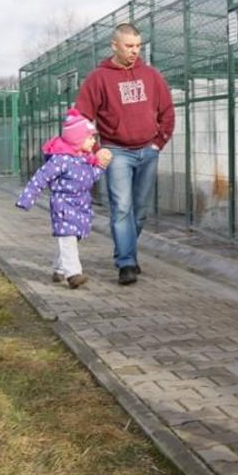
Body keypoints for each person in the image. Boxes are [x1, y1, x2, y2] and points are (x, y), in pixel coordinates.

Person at [75, 23, 175, 285]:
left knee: (139, 211)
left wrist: (158, 143)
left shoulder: (151, 75)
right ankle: (126, 263)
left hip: (148, 150)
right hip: (116, 152)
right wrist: (98, 149)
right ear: (115, 45)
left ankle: (127, 250)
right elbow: (81, 117)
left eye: (138, 46)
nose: (134, 51)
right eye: (129, 46)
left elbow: (167, 112)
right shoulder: (98, 78)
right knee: (121, 208)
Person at [16, 109, 113, 289]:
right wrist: (27, 197)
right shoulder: (60, 160)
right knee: (67, 237)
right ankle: (73, 274)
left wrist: (100, 165)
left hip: (81, 205)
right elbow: (41, 177)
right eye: (90, 137)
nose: (94, 141)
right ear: (77, 138)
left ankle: (59, 269)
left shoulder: (85, 159)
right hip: (63, 205)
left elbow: (91, 177)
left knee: (72, 237)